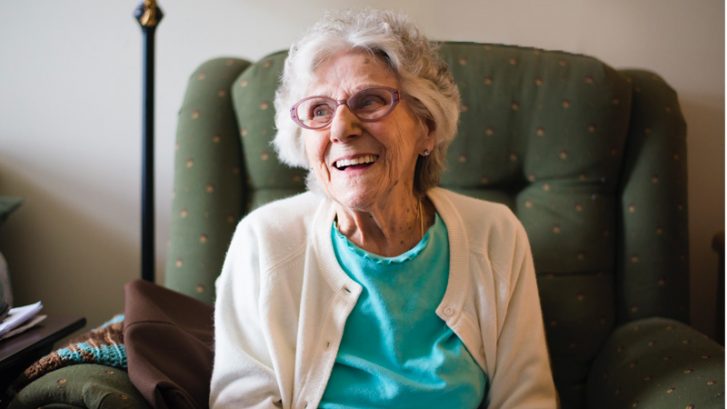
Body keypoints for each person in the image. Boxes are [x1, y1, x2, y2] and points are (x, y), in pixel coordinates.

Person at [210, 9, 557, 409]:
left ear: (427, 127)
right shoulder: (265, 240)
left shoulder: (495, 235)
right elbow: (242, 402)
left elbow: (526, 400)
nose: (341, 128)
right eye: (319, 110)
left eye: (370, 101)